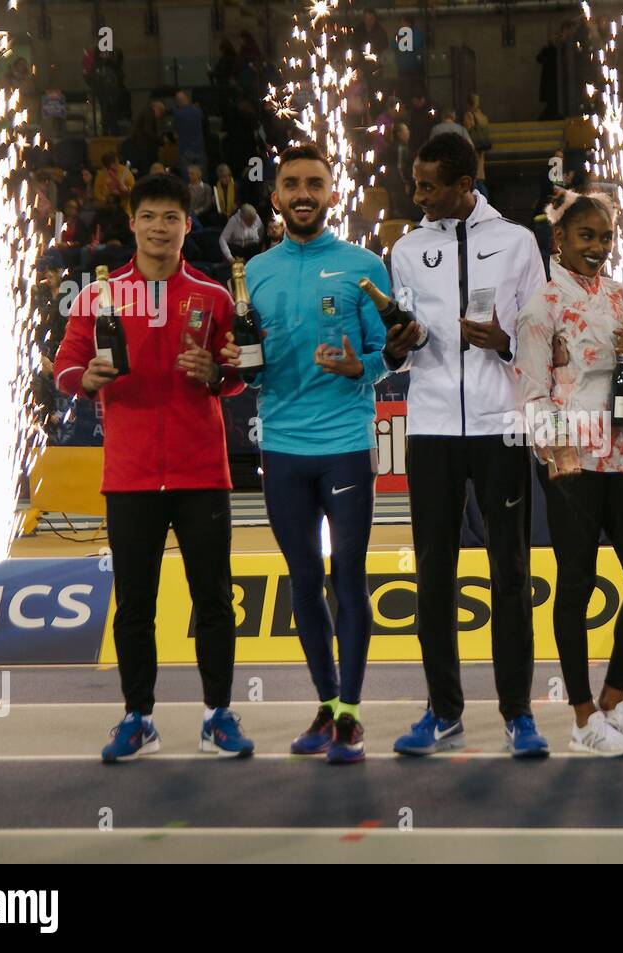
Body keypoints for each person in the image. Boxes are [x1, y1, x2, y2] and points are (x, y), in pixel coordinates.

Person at [53, 173, 254, 762]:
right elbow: (65, 367)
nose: (160, 227)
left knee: (213, 600)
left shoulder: (214, 296)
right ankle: (138, 717)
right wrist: (84, 381)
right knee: (134, 604)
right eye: (150, 216)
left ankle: (218, 714)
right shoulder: (99, 297)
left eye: (172, 217)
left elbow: (238, 374)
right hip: (131, 475)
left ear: (187, 226)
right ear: (133, 224)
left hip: (201, 474)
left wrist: (217, 376)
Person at [220, 143, 394, 764]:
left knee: (348, 576)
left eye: (314, 183)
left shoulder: (364, 265)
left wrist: (361, 367)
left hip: (345, 446)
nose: (302, 193)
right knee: (303, 580)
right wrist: (231, 367)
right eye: (291, 182)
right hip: (284, 450)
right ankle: (325, 705)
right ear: (276, 197)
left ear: (331, 194)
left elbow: (388, 352)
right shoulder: (254, 272)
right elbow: (247, 370)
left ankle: (350, 712)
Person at [383, 132, 550, 758]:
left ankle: (519, 714)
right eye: (416, 182)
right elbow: (400, 340)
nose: (417, 194)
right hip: (427, 428)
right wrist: (396, 347)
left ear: (463, 185)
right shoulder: (404, 248)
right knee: (433, 576)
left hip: (499, 425)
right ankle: (443, 711)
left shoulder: (517, 243)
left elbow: (541, 339)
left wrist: (504, 342)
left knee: (510, 573)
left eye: (429, 185)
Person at [514, 191, 623, 755]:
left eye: (605, 237)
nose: (598, 247)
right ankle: (580, 720)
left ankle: (612, 701)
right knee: (575, 584)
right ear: (561, 241)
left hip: (622, 454)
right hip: (573, 460)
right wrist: (558, 457)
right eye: (586, 237)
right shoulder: (541, 307)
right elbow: (532, 392)